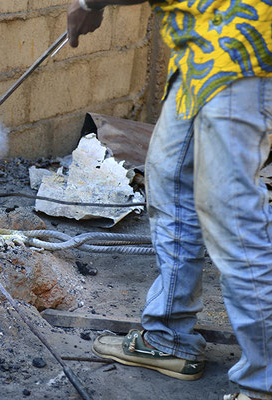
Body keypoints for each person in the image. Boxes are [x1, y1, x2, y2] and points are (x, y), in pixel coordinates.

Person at [67, 0, 272, 399]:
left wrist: (88, 4)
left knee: (233, 220)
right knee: (169, 181)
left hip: (239, 54)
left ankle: (262, 384)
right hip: (200, 57)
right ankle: (167, 338)